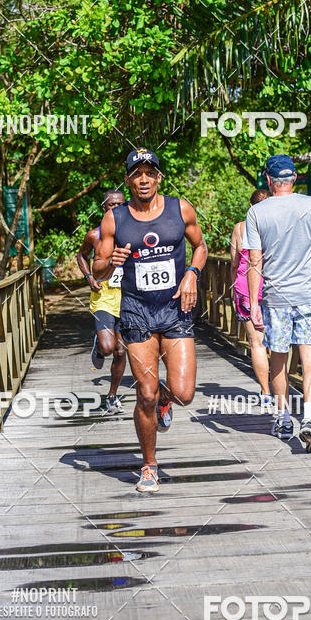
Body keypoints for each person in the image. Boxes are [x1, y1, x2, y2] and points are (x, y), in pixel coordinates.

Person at [93, 148, 208, 492]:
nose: (143, 179)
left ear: (158, 177)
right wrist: (111, 261)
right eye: (136, 173)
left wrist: (192, 273)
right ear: (128, 180)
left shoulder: (180, 208)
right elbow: (97, 270)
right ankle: (149, 465)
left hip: (174, 310)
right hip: (136, 311)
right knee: (144, 391)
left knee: (184, 393)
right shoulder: (115, 219)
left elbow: (200, 247)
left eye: (149, 172)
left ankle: (165, 400)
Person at [246, 154, 311, 452]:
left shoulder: (257, 212)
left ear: (269, 181)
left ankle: (284, 417)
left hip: (275, 298)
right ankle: (309, 419)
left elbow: (254, 263)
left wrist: (255, 303)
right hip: (309, 295)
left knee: (279, 359)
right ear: (294, 178)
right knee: (310, 358)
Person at [76, 189, 127, 414]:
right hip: (103, 298)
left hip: (127, 300)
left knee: (120, 351)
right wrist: (89, 277)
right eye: (112, 205)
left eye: (120, 205)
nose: (116, 209)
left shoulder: (132, 233)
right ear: (104, 208)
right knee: (108, 348)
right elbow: (81, 255)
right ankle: (99, 343)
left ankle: (112, 396)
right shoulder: (94, 235)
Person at [230, 189, 274, 413]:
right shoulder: (278, 226)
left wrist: (233, 285)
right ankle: (280, 388)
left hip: (246, 290)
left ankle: (266, 393)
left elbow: (235, 262)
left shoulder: (240, 228)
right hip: (274, 289)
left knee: (256, 344)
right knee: (277, 343)